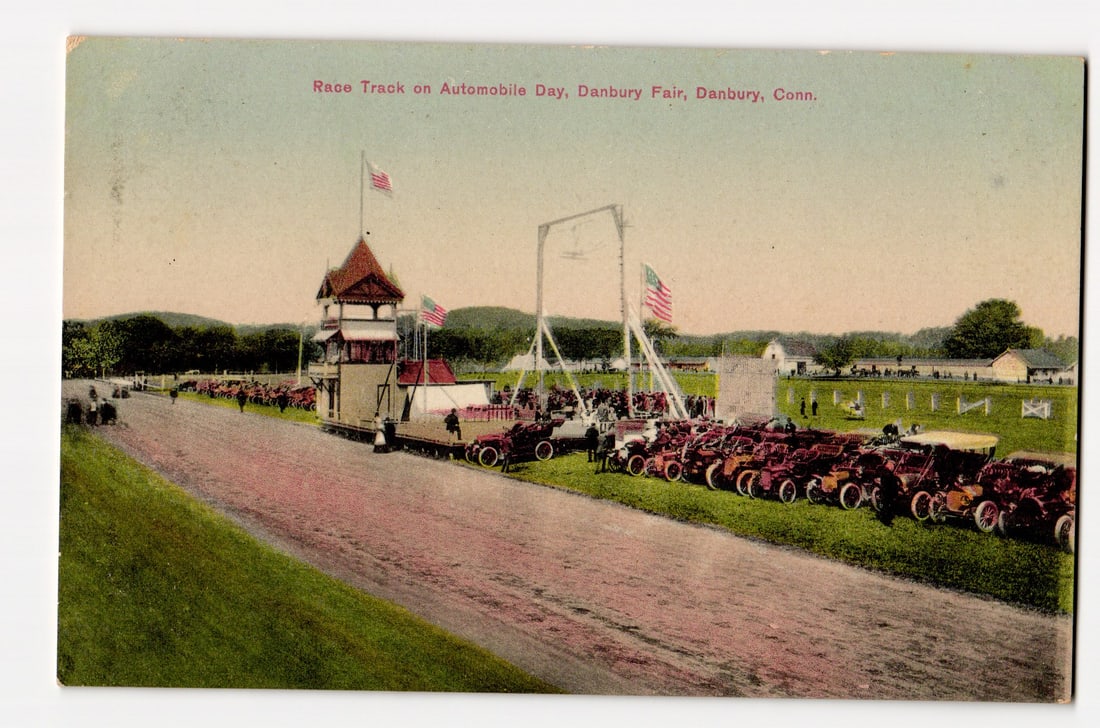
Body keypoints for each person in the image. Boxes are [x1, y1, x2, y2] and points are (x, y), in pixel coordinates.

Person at [876, 459, 901, 526]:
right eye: (892, 465)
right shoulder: (888, 474)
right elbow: (891, 484)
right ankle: (887, 521)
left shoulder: (885, 472)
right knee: (889, 507)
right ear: (889, 465)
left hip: (885, 492)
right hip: (889, 493)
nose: (893, 467)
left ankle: (884, 518)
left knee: (885, 506)